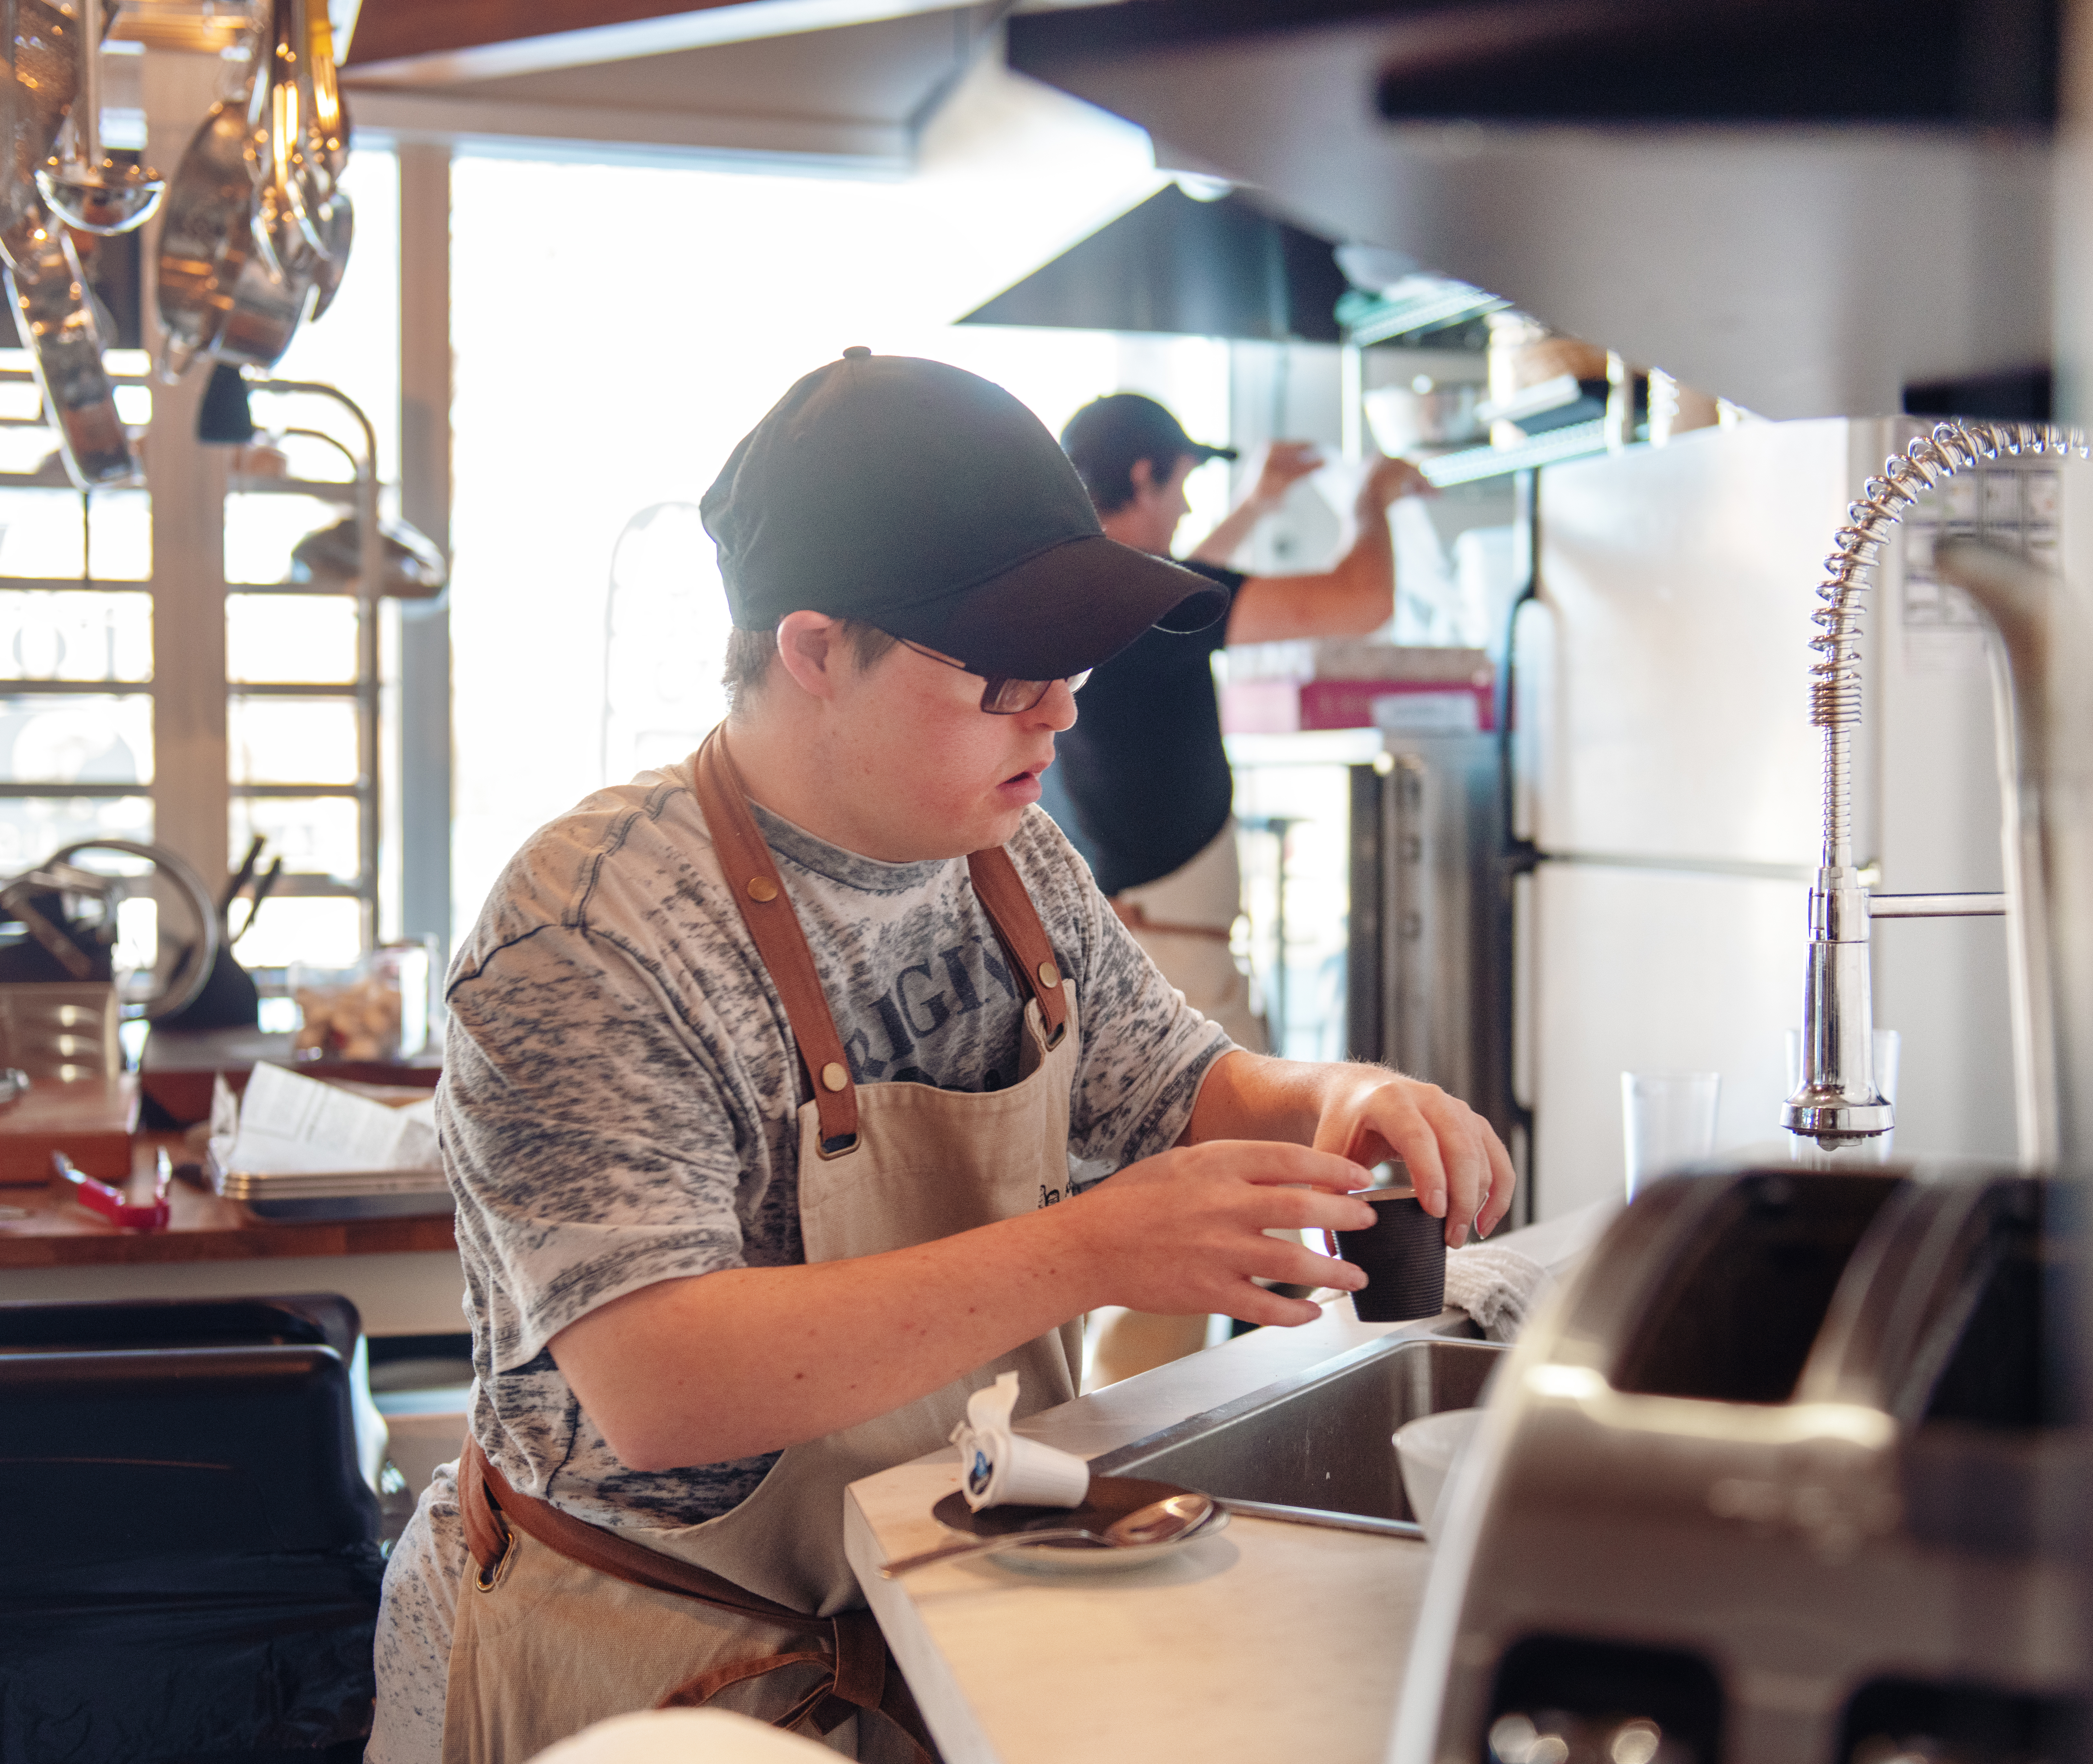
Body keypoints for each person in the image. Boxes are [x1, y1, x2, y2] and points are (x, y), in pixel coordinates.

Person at [367, 351, 1513, 1764]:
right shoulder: (587, 929)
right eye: (1006, 673)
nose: (1061, 712)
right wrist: (1088, 1250)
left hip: (937, 1609)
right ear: (814, 649)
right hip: (640, 1675)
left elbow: (1181, 1084)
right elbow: (662, 1381)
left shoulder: (1013, 856)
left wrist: (1349, 1097)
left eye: (1072, 663)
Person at [1052, 393, 1437, 1385]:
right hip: (1173, 961)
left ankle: (1121, 1434)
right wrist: (1376, 498)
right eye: (1181, 483)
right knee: (1188, 1237)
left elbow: (1192, 583)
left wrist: (1258, 505)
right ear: (1143, 477)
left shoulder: (1078, 595)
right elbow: (1360, 600)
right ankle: (1136, 1453)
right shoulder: (1144, 602)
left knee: (1151, 1233)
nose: (1188, 508)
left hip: (1126, 941)